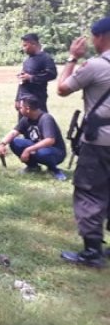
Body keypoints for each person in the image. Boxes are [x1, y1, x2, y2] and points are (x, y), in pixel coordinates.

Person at [55, 16, 110, 268]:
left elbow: (62, 88)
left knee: (89, 192)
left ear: (100, 37)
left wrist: (72, 58)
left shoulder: (96, 66)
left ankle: (92, 253)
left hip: (99, 142)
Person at [0, 96, 67, 181]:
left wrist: (28, 150)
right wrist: (2, 144)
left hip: (55, 152)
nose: (19, 109)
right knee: (14, 142)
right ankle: (33, 167)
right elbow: (14, 132)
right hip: (38, 148)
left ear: (28, 109)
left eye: (20, 107)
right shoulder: (26, 119)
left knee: (42, 153)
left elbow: (50, 140)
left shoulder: (46, 119)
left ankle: (54, 169)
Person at [16, 33, 57, 113]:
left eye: (25, 45)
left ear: (34, 44)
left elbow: (52, 74)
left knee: (40, 123)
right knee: (23, 125)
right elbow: (22, 82)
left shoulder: (45, 58)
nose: (23, 48)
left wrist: (31, 78)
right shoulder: (27, 61)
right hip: (24, 102)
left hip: (37, 101)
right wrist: (17, 99)